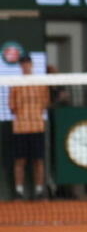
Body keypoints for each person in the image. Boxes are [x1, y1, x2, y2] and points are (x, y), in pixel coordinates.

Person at [9, 55, 49, 200]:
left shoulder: (40, 83)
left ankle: (39, 191)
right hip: (20, 128)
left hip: (37, 127)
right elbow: (12, 107)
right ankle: (18, 191)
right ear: (20, 66)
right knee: (19, 160)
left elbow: (45, 103)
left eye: (27, 63)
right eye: (23, 64)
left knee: (38, 160)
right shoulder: (15, 84)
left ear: (31, 65)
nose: (25, 66)